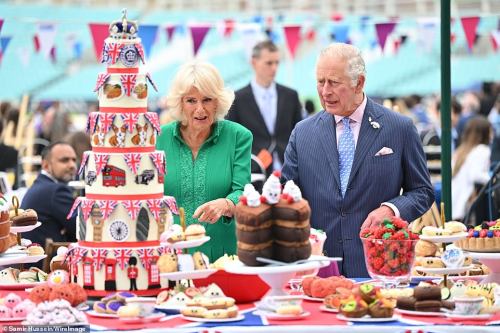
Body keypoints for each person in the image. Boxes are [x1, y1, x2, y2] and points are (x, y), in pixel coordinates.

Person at [281, 43, 435, 277]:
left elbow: (422, 191)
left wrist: (391, 210)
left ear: (359, 83)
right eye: (320, 82)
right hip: (318, 271)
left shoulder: (399, 128)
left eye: (333, 82)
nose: (325, 91)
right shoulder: (302, 133)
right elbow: (287, 196)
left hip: (380, 267)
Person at [156, 60, 252, 262]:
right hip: (168, 258)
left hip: (223, 257)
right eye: (191, 101)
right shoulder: (157, 138)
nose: (200, 109)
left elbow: (244, 192)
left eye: (207, 99)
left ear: (218, 101)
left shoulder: (238, 137)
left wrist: (226, 204)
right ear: (180, 103)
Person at [227, 40, 302, 175]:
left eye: (277, 63)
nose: (274, 68)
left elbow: (300, 134)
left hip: (289, 169)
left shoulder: (291, 95)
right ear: (254, 63)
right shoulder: (237, 99)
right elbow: (231, 140)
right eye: (269, 63)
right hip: (253, 171)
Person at [21, 142, 78, 266]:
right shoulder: (55, 190)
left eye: (74, 160)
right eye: (64, 160)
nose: (72, 165)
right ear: (46, 165)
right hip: (45, 268)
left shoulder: (42, 185)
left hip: (32, 263)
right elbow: (81, 228)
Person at [451, 116, 492, 222]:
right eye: (490, 130)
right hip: (467, 205)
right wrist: (492, 178)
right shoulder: (482, 150)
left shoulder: (460, 150)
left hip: (454, 204)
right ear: (484, 133)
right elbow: (476, 175)